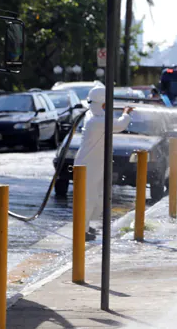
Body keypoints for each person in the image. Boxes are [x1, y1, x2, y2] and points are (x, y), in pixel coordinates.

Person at [74, 86, 133, 241]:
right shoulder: (97, 121)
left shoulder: (94, 115)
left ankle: (86, 226)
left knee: (98, 198)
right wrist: (126, 113)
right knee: (89, 199)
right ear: (102, 104)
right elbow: (120, 125)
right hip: (88, 165)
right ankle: (82, 231)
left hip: (95, 164)